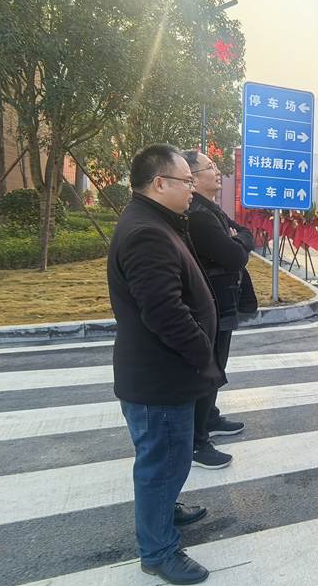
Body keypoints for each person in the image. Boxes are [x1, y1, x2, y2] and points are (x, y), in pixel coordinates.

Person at [108, 144, 225, 584]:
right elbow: (164, 313)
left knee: (166, 460)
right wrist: (203, 354)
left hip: (159, 374)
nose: (192, 189)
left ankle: (164, 511)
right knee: (162, 464)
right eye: (186, 181)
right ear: (160, 183)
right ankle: (158, 552)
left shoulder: (153, 221)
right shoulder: (147, 233)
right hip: (160, 379)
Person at [184, 149, 257, 469]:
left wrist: (237, 237)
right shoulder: (199, 216)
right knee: (209, 369)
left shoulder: (210, 209)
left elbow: (246, 233)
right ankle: (197, 442)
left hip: (222, 302)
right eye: (210, 167)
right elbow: (235, 256)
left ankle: (209, 418)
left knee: (217, 365)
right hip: (210, 304)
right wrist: (238, 241)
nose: (217, 171)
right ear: (192, 178)